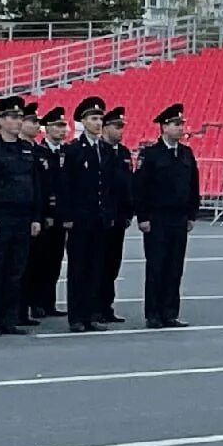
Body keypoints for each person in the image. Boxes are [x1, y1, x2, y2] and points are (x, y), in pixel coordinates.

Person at [0, 97, 43, 336]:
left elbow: (35, 185)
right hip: (0, 216)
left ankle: (8, 318)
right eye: (13, 118)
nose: (17, 122)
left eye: (19, 118)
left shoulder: (26, 149)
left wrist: (36, 216)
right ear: (1, 121)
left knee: (16, 271)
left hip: (22, 217)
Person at [134, 103, 200, 329]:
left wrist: (192, 214)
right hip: (157, 219)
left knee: (174, 268)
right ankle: (153, 313)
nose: (180, 128)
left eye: (181, 124)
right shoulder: (151, 154)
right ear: (164, 127)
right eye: (175, 124)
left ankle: (170, 312)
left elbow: (193, 186)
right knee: (156, 267)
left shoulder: (186, 153)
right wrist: (142, 217)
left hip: (179, 218)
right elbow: (141, 187)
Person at [62, 96, 112, 332]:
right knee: (79, 268)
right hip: (80, 219)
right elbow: (67, 186)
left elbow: (109, 184)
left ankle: (91, 313)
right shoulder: (74, 150)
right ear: (83, 121)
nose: (98, 122)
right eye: (93, 118)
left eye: (100, 118)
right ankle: (77, 316)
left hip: (99, 218)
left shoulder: (105, 149)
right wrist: (68, 216)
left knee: (96, 268)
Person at [25, 106, 69, 320]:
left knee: (54, 260)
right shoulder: (38, 153)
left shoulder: (65, 152)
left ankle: (48, 301)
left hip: (61, 215)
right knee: (38, 260)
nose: (62, 130)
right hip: (42, 216)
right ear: (47, 128)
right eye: (58, 126)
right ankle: (35, 302)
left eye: (64, 126)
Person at [95, 107, 134, 324]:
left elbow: (128, 184)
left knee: (112, 264)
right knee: (98, 263)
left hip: (119, 217)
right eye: (117, 127)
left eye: (122, 127)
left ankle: (106, 305)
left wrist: (129, 212)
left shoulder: (124, 153)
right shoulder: (100, 151)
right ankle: (95, 306)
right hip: (102, 217)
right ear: (106, 127)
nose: (120, 131)